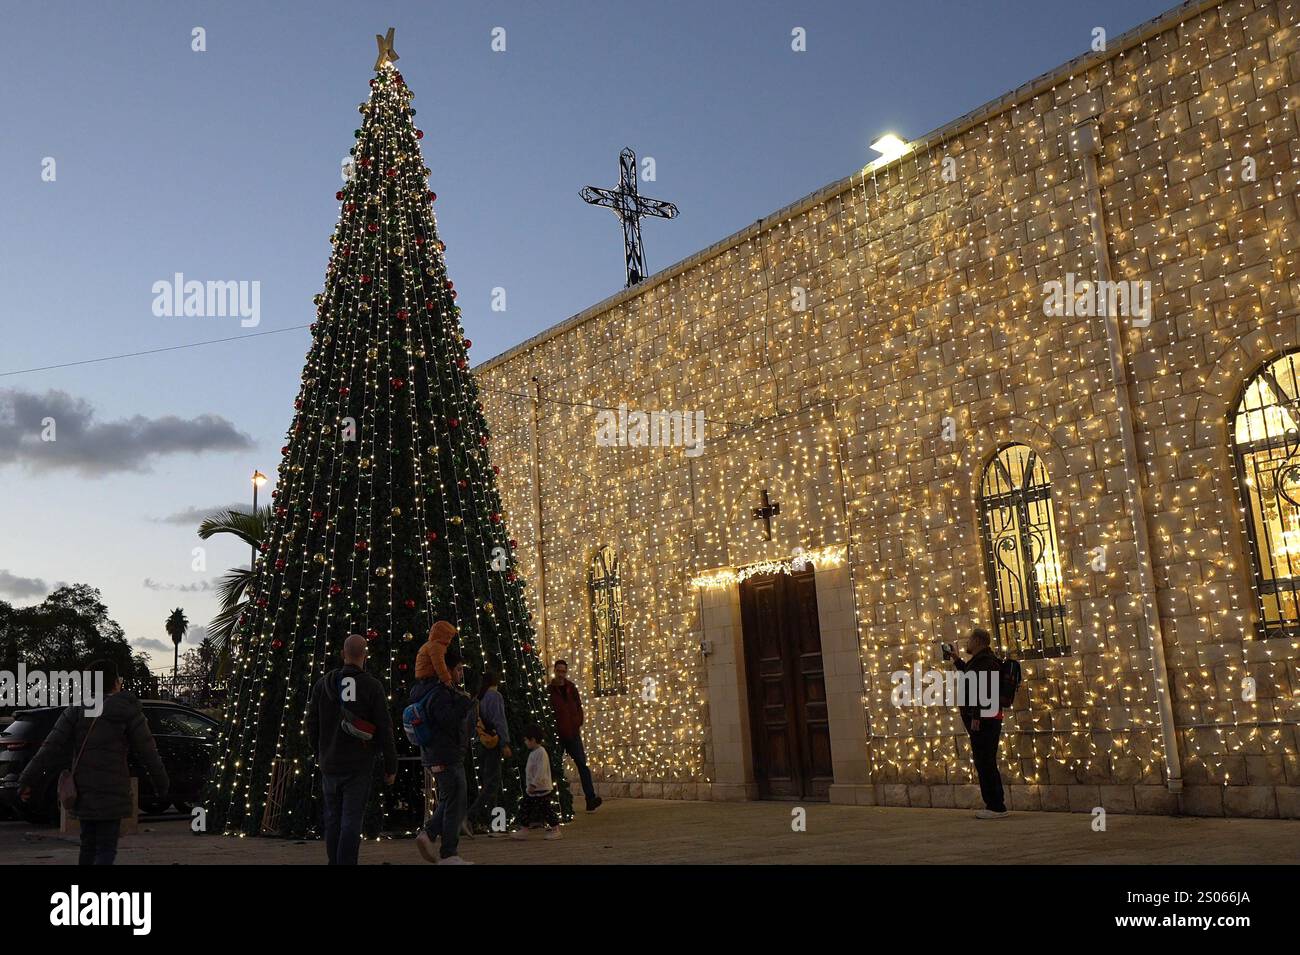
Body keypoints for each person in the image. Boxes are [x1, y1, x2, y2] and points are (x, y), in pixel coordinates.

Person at [18, 659, 169, 865]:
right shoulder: (127, 710)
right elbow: (148, 751)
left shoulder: (76, 710)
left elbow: (49, 748)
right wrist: (161, 784)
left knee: (88, 845)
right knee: (106, 847)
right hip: (113, 791)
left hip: (83, 791)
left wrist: (26, 780)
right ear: (116, 682)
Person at [305, 633, 398, 864]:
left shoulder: (322, 684)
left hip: (330, 763)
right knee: (351, 820)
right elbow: (385, 729)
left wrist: (320, 752)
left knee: (332, 819)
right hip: (359, 765)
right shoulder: (372, 686)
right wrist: (391, 765)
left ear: (342, 654)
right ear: (364, 655)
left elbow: (311, 725)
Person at [413, 646, 476, 864]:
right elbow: (447, 721)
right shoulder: (440, 693)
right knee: (455, 799)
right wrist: (463, 704)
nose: (461, 674)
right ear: (446, 670)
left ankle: (429, 835)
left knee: (452, 798)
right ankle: (448, 852)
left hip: (441, 754)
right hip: (445, 754)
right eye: (457, 669)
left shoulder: (432, 690)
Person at [946, 627, 1008, 819]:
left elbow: (983, 692)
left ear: (978, 641)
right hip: (984, 719)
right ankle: (995, 804)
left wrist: (975, 718)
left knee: (985, 761)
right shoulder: (982, 661)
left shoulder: (986, 662)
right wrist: (957, 660)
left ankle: (996, 806)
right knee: (985, 761)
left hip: (984, 720)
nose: (967, 643)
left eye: (970, 640)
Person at [547, 660, 602, 812]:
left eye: (563, 671)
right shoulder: (550, 690)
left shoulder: (571, 688)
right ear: (554, 671)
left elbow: (578, 706)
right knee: (556, 767)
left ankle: (590, 798)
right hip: (558, 735)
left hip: (573, 734)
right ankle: (556, 801)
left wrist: (578, 721)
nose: (561, 674)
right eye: (558, 671)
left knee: (582, 766)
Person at [467, 669, 511, 836]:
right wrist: (505, 743)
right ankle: (471, 816)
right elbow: (499, 720)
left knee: (489, 784)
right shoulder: (495, 696)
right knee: (493, 784)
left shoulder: (478, 698)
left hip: (480, 743)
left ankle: (495, 825)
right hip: (492, 743)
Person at [510, 722, 561, 840]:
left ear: (533, 740)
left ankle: (556, 829)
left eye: (526, 740)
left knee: (546, 809)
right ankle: (524, 829)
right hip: (533, 789)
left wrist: (533, 783)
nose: (525, 742)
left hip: (541, 788)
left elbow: (541, 770)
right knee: (525, 807)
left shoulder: (541, 752)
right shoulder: (534, 753)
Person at [415, 619, 458, 687]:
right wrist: (446, 680)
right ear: (445, 635)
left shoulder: (431, 644)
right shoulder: (436, 647)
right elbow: (439, 664)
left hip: (424, 676)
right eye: (449, 636)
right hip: (429, 677)